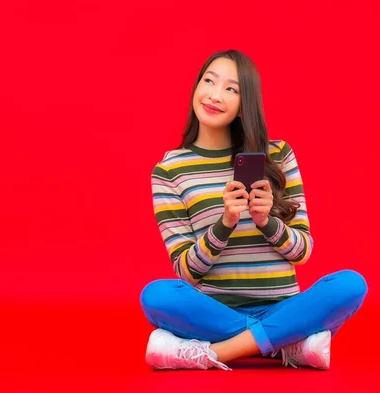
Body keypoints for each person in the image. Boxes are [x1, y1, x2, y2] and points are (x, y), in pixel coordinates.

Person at [140, 49, 368, 371]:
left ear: (245, 103)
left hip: (284, 308)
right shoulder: (169, 170)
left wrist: (267, 222)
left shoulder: (279, 155)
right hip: (216, 312)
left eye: (231, 89)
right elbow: (185, 270)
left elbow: (303, 252)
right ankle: (285, 345)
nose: (215, 96)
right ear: (196, 86)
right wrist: (224, 224)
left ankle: (216, 353)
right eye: (209, 81)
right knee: (157, 296)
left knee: (351, 284)